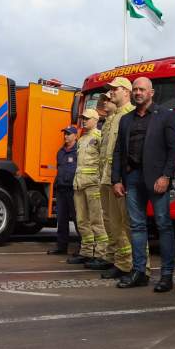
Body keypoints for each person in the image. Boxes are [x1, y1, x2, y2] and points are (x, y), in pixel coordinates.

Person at [112, 77, 175, 292]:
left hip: (156, 179)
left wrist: (166, 176)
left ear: (151, 92)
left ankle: (167, 275)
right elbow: (118, 152)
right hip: (132, 178)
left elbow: (174, 149)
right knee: (137, 226)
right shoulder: (126, 120)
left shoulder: (166, 116)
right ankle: (139, 272)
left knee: (163, 225)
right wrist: (116, 179)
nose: (138, 92)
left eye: (142, 89)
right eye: (135, 89)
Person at [99, 77, 136, 280]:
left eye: (115, 89)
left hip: (122, 179)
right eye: (111, 89)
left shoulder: (130, 115)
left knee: (128, 224)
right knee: (114, 223)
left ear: (127, 92)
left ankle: (134, 265)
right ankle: (121, 263)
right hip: (108, 177)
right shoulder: (113, 118)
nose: (111, 92)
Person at [69, 109, 109, 267]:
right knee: (81, 221)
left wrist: (101, 182)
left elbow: (104, 161)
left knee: (96, 221)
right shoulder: (82, 139)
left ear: (95, 119)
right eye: (82, 118)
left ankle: (101, 254)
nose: (83, 121)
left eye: (86, 118)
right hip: (79, 184)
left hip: (93, 185)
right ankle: (86, 252)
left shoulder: (99, 137)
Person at [48, 125, 78, 255]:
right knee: (62, 219)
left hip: (73, 190)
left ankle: (84, 248)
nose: (66, 136)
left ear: (75, 136)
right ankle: (61, 247)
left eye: (69, 134)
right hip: (61, 189)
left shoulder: (79, 151)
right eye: (65, 134)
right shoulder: (60, 152)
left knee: (78, 220)